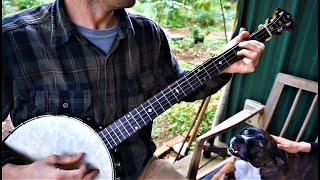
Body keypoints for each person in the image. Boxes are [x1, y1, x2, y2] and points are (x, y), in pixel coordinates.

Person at [1, 0, 265, 179]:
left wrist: (220, 68)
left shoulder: (147, 34)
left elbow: (177, 88)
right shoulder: (14, 41)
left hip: (140, 168)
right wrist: (18, 173)